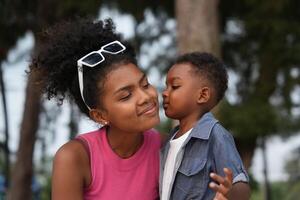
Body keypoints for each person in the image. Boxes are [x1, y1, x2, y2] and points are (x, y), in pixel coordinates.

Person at [30, 18, 232, 200]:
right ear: (100, 115)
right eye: (126, 96)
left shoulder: (166, 147)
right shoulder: (75, 158)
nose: (146, 97)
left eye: (145, 84)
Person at [161, 52, 251, 200]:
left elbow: (241, 186)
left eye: (175, 86)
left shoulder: (216, 136)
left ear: (202, 95)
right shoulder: (169, 140)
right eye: (166, 86)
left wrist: (231, 192)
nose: (165, 93)